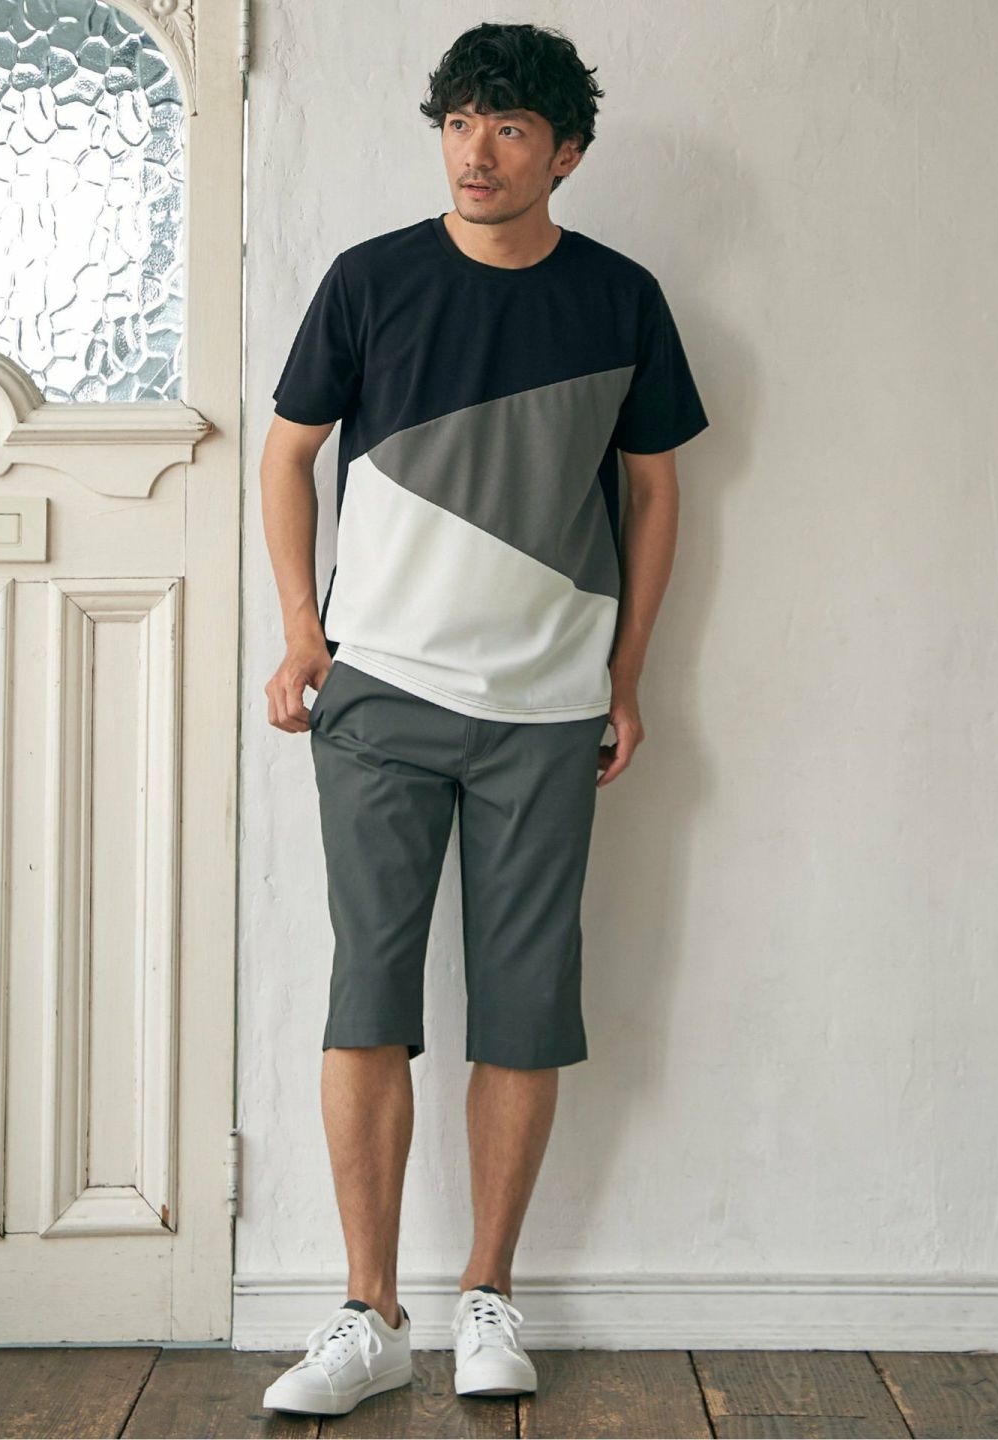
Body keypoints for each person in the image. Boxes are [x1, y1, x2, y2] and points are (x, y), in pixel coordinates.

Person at [257, 20, 709, 1418]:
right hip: (381, 692)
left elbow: (655, 491)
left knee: (523, 1004)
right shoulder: (370, 280)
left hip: (548, 706)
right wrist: (303, 633)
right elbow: (287, 455)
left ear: (565, 153)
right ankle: (368, 1313)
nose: (476, 150)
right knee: (368, 998)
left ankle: (487, 1297)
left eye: (510, 128)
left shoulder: (621, 299)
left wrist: (629, 675)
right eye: (459, 121)